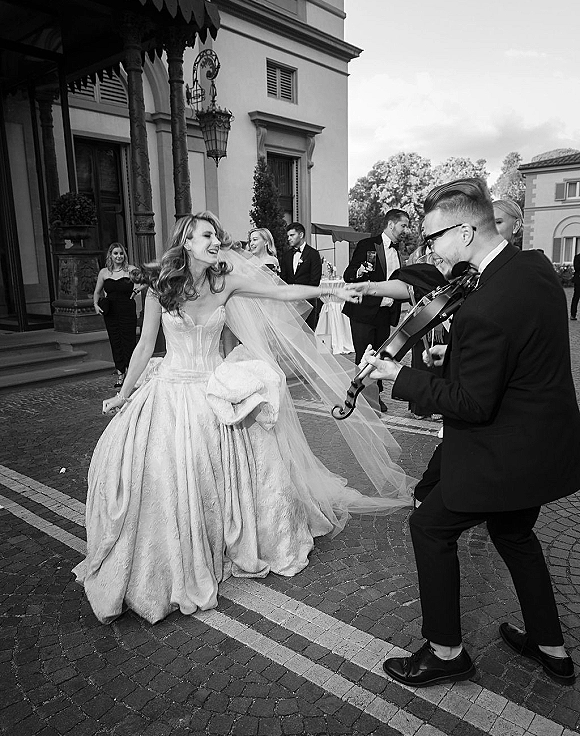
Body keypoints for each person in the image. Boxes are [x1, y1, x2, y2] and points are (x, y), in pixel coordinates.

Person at [73, 212, 413, 625]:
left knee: (223, 474)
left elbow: (282, 295)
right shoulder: (159, 289)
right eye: (205, 235)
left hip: (216, 393)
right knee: (168, 474)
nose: (215, 240)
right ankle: (174, 554)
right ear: (186, 242)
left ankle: (225, 542)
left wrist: (333, 288)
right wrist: (124, 393)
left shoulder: (225, 282)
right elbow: (145, 347)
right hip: (171, 392)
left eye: (216, 234)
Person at [361, 178, 580, 687]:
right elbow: (512, 355)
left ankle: (445, 651)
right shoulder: (533, 267)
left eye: (433, 237)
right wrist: (454, 356)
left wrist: (400, 376)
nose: (428, 248)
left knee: (430, 528)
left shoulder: (484, 304)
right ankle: (550, 645)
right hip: (546, 445)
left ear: (463, 232)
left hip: (504, 451)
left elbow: (472, 403)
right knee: (514, 533)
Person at [352, 247, 450, 419]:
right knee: (422, 364)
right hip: (424, 318)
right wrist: (369, 287)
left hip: (447, 323)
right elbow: (408, 287)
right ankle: (422, 407)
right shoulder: (420, 256)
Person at [342, 209, 410, 413]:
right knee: (363, 357)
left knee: (380, 357)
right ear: (391, 224)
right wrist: (359, 272)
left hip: (384, 314)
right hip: (363, 313)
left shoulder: (397, 252)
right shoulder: (367, 245)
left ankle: (375, 397)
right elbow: (348, 275)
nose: (405, 230)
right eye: (403, 225)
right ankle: (361, 399)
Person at [94, 242, 140, 388]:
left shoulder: (131, 270)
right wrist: (95, 305)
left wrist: (136, 291)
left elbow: (148, 279)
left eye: (121, 253)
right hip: (111, 312)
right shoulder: (104, 272)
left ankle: (131, 374)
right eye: (115, 253)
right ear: (110, 255)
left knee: (129, 341)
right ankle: (120, 373)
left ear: (124, 255)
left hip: (127, 310)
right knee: (115, 341)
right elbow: (97, 292)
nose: (118, 256)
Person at [280, 222, 322, 330]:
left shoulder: (313, 254)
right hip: (290, 302)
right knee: (291, 333)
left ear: (301, 235)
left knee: (308, 334)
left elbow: (315, 281)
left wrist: (300, 296)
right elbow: (283, 279)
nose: (289, 238)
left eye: (292, 235)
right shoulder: (286, 255)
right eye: (288, 236)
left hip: (307, 302)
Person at [570, 251, 580, 320]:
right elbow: (577, 267)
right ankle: (573, 314)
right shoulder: (577, 257)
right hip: (578, 280)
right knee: (576, 297)